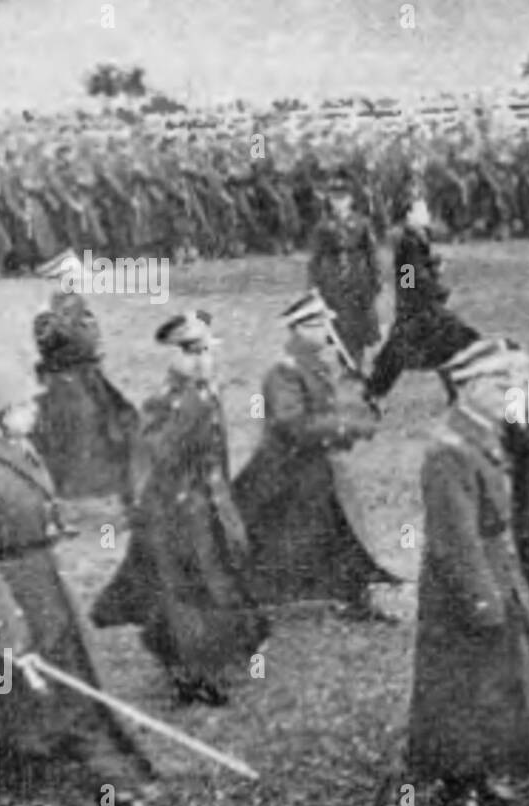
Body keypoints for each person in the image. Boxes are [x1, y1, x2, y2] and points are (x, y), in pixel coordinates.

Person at [0, 365, 162, 806]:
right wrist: (6, 632)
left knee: (65, 694)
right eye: (24, 405)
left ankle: (109, 786)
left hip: (43, 589)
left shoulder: (18, 450)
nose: (34, 411)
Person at [408, 338, 529, 806]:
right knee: (458, 689)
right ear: (469, 387)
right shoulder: (449, 450)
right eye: (501, 383)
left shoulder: (481, 433)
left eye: (513, 382)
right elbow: (455, 540)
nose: (512, 392)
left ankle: (478, 775)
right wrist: (482, 600)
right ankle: (459, 789)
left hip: (492, 574)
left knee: (490, 685)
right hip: (462, 590)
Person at [90, 311, 268, 706]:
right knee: (185, 592)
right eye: (190, 353)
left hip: (210, 505)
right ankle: (190, 674)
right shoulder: (165, 402)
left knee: (218, 581)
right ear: (171, 356)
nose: (201, 361)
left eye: (206, 351)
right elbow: (155, 459)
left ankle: (217, 658)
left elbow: (216, 457)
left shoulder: (208, 392)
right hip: (175, 513)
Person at [233, 290, 402, 622]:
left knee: (339, 532)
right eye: (319, 326)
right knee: (274, 542)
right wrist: (347, 427)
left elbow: (324, 410)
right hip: (284, 470)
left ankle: (354, 598)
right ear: (300, 329)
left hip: (314, 466)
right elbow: (292, 422)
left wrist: (358, 414)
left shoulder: (315, 364)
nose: (326, 333)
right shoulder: (283, 372)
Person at [28, 249, 140, 502]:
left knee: (119, 427)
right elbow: (51, 344)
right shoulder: (49, 312)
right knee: (72, 438)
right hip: (65, 384)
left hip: (88, 380)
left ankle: (113, 492)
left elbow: (90, 341)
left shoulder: (74, 306)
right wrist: (63, 321)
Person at [365, 193, 481, 408]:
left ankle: (456, 392)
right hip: (416, 311)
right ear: (410, 215)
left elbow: (418, 271)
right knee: (401, 354)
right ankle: (373, 393)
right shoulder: (407, 243)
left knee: (449, 344)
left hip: (423, 308)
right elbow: (409, 279)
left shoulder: (418, 237)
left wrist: (432, 266)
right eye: (421, 210)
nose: (426, 214)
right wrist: (436, 287)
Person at [307, 191, 382, 366]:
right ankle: (347, 362)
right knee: (340, 322)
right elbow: (315, 257)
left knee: (359, 321)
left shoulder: (362, 223)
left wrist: (375, 277)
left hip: (357, 276)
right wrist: (313, 284)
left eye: (343, 199)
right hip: (334, 278)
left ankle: (357, 360)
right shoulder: (323, 226)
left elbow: (371, 253)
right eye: (335, 199)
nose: (339, 204)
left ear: (350, 200)